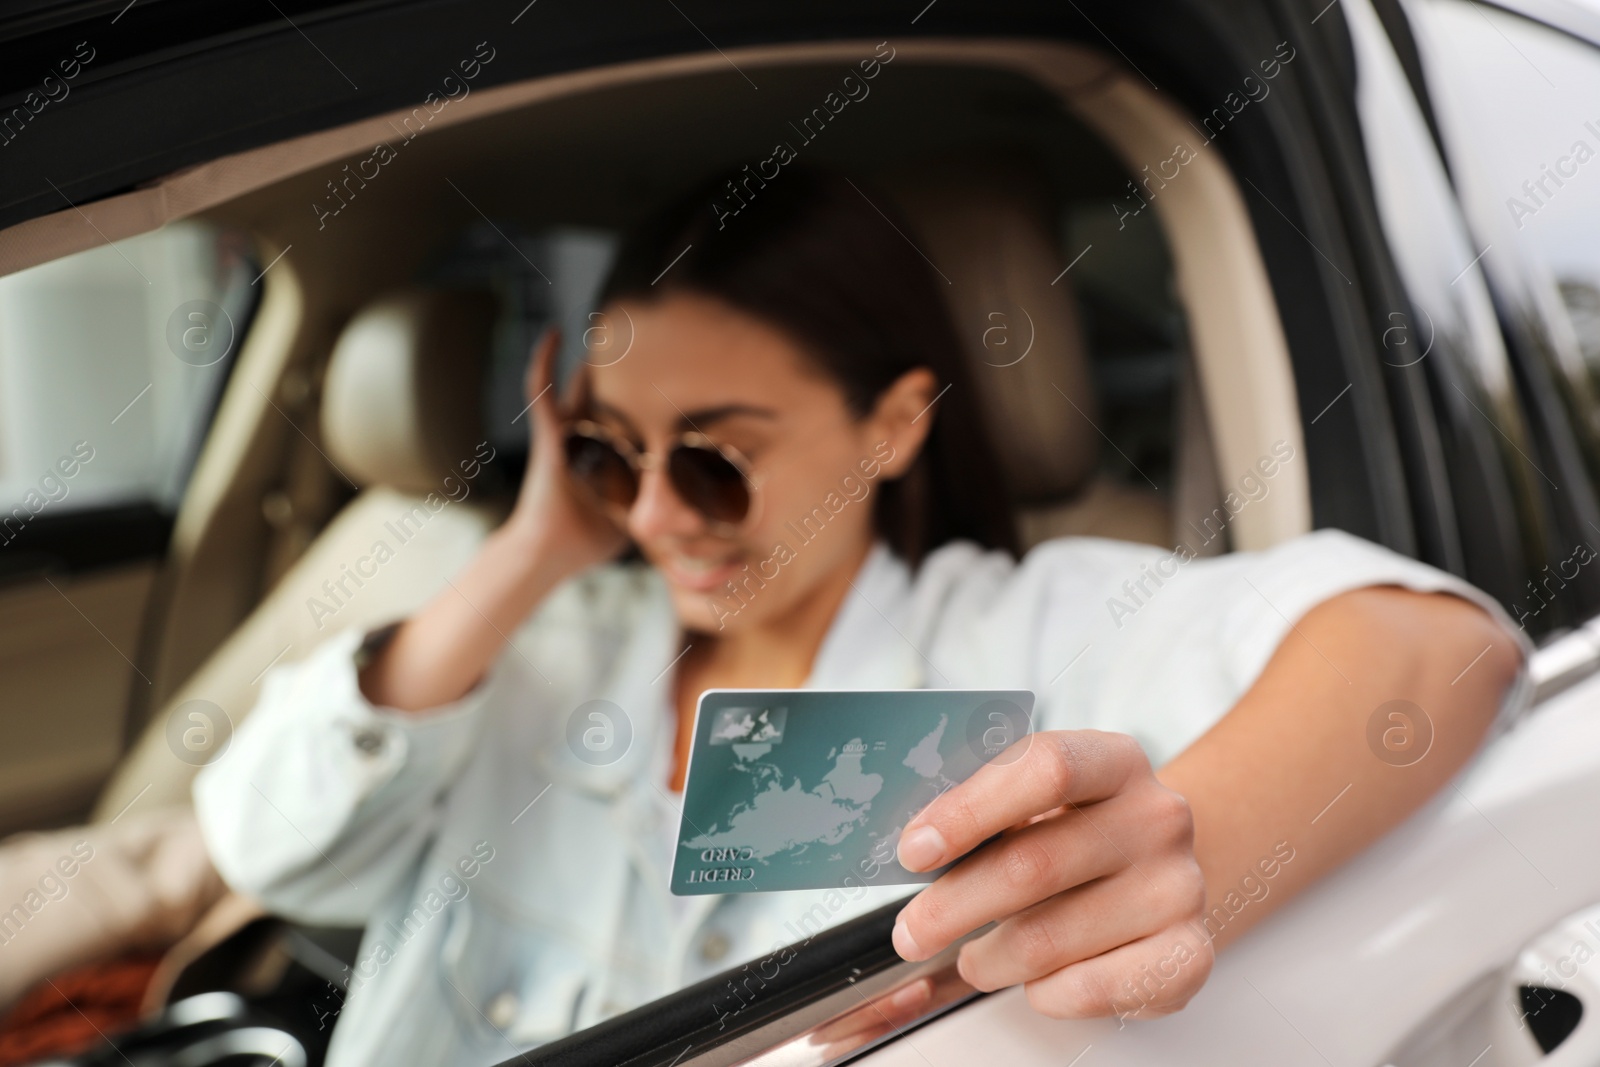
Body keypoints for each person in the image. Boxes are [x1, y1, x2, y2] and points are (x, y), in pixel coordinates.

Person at [194, 165, 1526, 1067]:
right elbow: (270, 848)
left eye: (715, 459)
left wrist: (1194, 848)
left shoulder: (1018, 635)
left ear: (891, 425)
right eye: (613, 453)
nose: (657, 514)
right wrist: (538, 547)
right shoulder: (527, 650)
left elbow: (1430, 646)